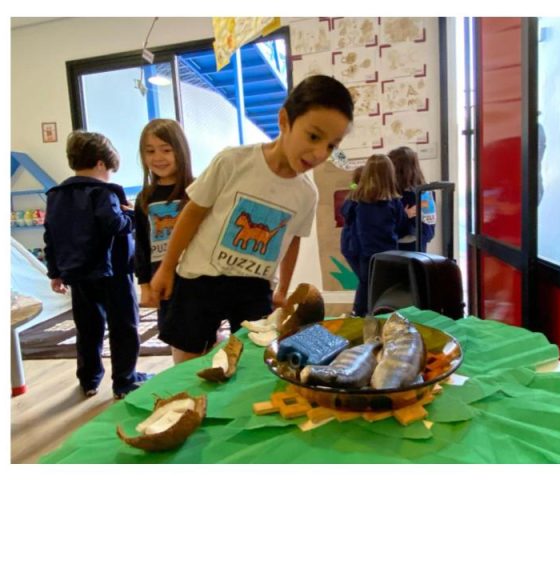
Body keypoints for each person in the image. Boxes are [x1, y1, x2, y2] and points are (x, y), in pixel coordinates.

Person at [150, 74, 354, 363]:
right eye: (313, 136)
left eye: (332, 145)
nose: (320, 152)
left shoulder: (307, 193)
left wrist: (283, 288)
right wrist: (167, 267)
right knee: (188, 358)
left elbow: (292, 239)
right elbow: (193, 212)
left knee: (256, 358)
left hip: (255, 285)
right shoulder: (233, 161)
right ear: (284, 120)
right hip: (200, 277)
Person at [43, 131, 150, 399]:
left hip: (78, 272)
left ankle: (89, 379)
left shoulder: (56, 194)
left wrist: (55, 272)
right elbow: (113, 224)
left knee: (88, 328)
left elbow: (51, 235)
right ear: (101, 163)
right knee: (124, 325)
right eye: (110, 170)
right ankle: (124, 381)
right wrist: (133, 217)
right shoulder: (103, 192)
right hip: (113, 272)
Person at [133, 119, 193, 350]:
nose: (158, 157)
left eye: (166, 150)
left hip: (196, 279)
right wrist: (145, 285)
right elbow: (141, 245)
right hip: (163, 280)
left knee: (202, 334)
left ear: (180, 150)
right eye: (150, 151)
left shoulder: (196, 190)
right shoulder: (145, 198)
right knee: (174, 335)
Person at [340, 154, 406, 316]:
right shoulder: (393, 202)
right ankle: (363, 314)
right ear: (389, 175)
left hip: (360, 251)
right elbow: (401, 226)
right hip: (374, 252)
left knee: (367, 284)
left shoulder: (356, 200)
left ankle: (361, 314)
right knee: (369, 284)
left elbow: (346, 215)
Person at [388, 146, 433, 252]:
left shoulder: (400, 195)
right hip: (418, 247)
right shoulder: (425, 190)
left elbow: (390, 228)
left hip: (403, 248)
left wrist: (404, 216)